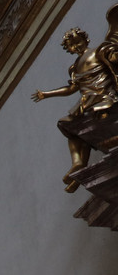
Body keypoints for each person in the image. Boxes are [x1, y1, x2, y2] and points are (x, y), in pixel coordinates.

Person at [32, 19, 118, 192]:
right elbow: (71, 88)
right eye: (72, 46)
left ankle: (81, 171)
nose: (76, 47)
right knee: (67, 126)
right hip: (87, 101)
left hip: (103, 96)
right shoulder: (74, 68)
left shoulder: (99, 51)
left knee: (100, 118)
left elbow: (114, 59)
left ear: (85, 40)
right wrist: (46, 94)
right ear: (69, 49)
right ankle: (78, 164)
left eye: (78, 42)